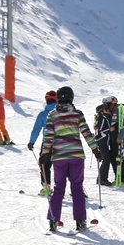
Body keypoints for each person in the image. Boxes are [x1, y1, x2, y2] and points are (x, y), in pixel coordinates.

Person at [42, 86, 101, 232]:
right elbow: (86, 133)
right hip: (76, 155)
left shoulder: (52, 114)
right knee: (77, 188)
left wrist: (44, 154)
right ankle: (80, 221)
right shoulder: (77, 113)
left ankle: (53, 221)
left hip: (59, 156)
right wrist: (95, 150)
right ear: (71, 98)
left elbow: (48, 136)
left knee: (59, 188)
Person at [28, 90, 58, 196]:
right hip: (62, 143)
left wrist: (31, 142)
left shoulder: (43, 114)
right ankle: (78, 188)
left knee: (44, 164)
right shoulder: (62, 112)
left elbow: (36, 129)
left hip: (47, 143)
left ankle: (47, 187)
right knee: (64, 165)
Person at [110, 96, 124, 186]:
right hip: (114, 141)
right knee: (115, 159)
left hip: (122, 140)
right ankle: (119, 178)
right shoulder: (111, 112)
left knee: (122, 159)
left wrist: (120, 137)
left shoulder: (119, 111)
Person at [94, 98, 116, 186]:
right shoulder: (102, 117)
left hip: (103, 141)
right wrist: (109, 130)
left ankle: (100, 179)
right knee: (106, 159)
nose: (108, 111)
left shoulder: (105, 116)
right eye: (106, 109)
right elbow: (101, 130)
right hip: (101, 140)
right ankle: (102, 179)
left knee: (106, 159)